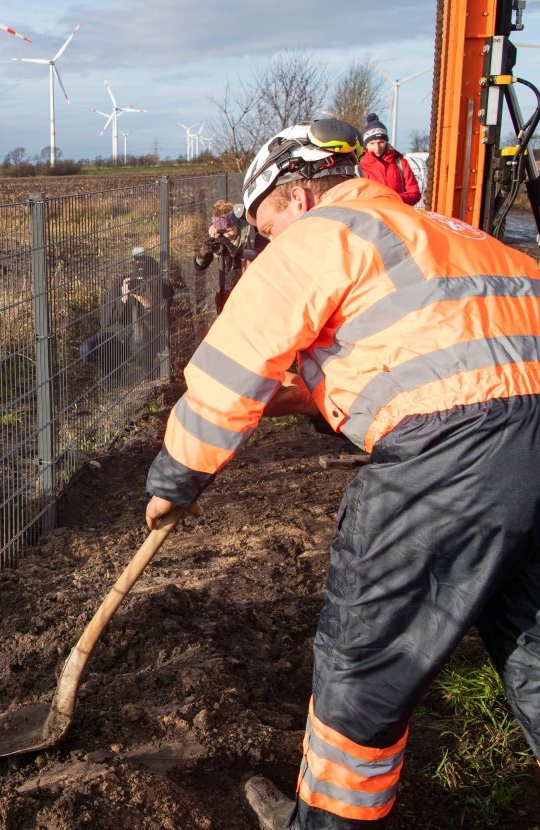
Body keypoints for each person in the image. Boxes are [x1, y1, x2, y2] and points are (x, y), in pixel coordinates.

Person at [143, 117, 540, 829]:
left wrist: (175, 479)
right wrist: (298, 396)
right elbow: (438, 358)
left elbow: (231, 366)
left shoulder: (321, 237)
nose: (266, 243)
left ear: (295, 197)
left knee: (363, 664)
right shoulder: (450, 234)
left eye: (266, 227)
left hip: (450, 462)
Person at [80, 246, 172, 380]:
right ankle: (116, 374)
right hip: (117, 337)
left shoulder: (162, 289)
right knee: (86, 349)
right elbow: (104, 321)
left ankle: (148, 380)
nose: (140, 285)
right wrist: (122, 300)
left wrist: (149, 305)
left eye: (148, 280)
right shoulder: (120, 285)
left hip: (143, 341)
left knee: (140, 341)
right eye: (138, 282)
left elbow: (162, 326)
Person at [193, 200, 247, 313]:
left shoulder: (249, 234)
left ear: (236, 224)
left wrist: (231, 248)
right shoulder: (215, 235)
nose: (226, 235)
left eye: (229, 230)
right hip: (227, 284)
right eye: (222, 232)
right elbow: (199, 267)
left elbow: (242, 263)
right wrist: (204, 252)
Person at [358, 113, 421, 206]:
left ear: (386, 142)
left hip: (396, 216)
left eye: (381, 142)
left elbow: (414, 193)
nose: (377, 147)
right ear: (366, 145)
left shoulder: (401, 163)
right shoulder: (359, 166)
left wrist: (393, 199)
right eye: (372, 143)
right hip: (371, 216)